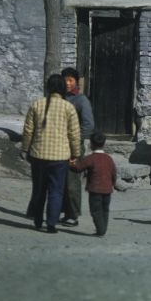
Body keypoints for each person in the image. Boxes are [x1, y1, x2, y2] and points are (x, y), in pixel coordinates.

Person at [21, 74, 81, 233]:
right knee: (56, 190)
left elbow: (28, 131)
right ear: (62, 88)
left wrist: (25, 149)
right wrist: (76, 154)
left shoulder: (36, 104)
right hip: (60, 158)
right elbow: (74, 134)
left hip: (38, 155)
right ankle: (52, 224)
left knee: (39, 189)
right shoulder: (68, 107)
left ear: (48, 87)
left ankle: (37, 220)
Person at [60, 67, 95, 227]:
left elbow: (88, 126)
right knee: (60, 181)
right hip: (58, 146)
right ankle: (64, 212)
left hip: (74, 147)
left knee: (72, 182)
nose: (67, 83)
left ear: (76, 82)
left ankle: (73, 215)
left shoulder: (81, 100)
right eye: (65, 80)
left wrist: (74, 138)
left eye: (70, 80)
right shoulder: (60, 97)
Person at [71, 132, 117, 237]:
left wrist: (71, 162)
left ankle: (100, 230)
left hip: (95, 190)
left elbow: (78, 168)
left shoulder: (90, 158)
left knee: (96, 210)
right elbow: (114, 173)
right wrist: (112, 184)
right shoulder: (109, 158)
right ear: (104, 144)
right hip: (107, 190)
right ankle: (103, 228)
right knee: (105, 209)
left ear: (91, 144)